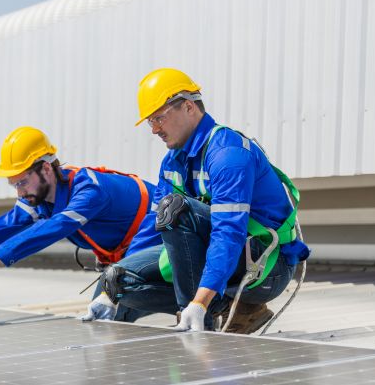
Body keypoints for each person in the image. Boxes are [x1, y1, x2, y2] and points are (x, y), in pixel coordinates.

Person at [83, 68, 310, 333]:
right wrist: (108, 290)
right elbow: (150, 228)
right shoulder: (172, 161)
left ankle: (200, 318)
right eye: (150, 122)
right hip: (221, 256)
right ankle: (213, 310)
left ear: (189, 107)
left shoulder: (228, 154)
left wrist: (200, 302)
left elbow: (229, 232)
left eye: (159, 118)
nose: (155, 129)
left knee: (176, 210)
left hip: (264, 266)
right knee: (116, 280)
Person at [0, 126, 156, 309]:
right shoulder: (42, 196)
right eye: (14, 184)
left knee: (162, 307)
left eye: (22, 182)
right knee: (103, 320)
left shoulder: (89, 191)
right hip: (127, 257)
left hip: (161, 241)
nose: (19, 192)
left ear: (46, 168)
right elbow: (1, 227)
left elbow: (46, 233)